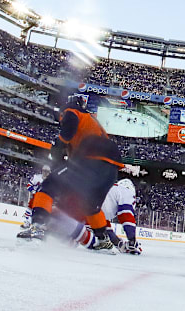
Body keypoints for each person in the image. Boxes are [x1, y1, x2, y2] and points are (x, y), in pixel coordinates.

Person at [18, 95, 123, 252]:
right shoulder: (91, 120)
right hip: (111, 168)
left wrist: (58, 148)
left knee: (48, 186)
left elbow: (66, 134)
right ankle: (103, 241)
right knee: (90, 206)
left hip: (91, 160)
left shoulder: (72, 111)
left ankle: (37, 228)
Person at [75, 179, 142, 254]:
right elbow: (126, 215)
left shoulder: (111, 193)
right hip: (85, 210)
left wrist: (119, 244)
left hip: (78, 206)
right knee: (98, 242)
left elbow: (104, 227)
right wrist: (132, 240)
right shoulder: (125, 192)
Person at [21, 164, 51, 229]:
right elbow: (29, 185)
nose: (45, 173)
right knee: (29, 210)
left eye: (47, 171)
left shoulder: (50, 181)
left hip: (45, 200)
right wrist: (33, 191)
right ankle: (27, 222)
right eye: (44, 171)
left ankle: (40, 225)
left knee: (43, 213)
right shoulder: (36, 177)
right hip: (36, 197)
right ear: (42, 171)